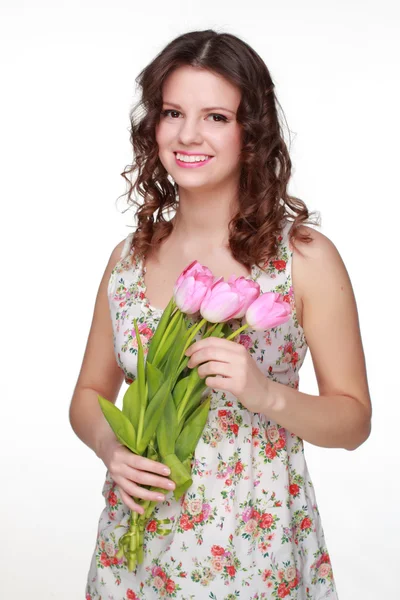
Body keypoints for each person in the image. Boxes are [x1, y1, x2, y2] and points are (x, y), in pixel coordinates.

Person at [69, 29, 372, 599]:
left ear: (250, 133)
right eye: (172, 112)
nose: (188, 135)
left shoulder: (303, 259)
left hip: (253, 550)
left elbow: (355, 421)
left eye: (215, 117)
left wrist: (266, 393)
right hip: (134, 549)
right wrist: (111, 449)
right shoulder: (129, 260)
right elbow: (88, 394)